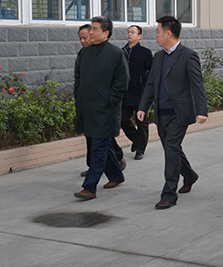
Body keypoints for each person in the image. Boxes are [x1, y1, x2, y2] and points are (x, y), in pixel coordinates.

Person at [137, 16, 208, 210]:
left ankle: (169, 194)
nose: (156, 36)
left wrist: (201, 110)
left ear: (168, 33)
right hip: (162, 114)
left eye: (158, 32)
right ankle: (190, 175)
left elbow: (197, 85)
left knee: (171, 149)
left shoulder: (188, 55)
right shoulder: (158, 56)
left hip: (179, 114)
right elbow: (151, 84)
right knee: (173, 149)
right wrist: (143, 107)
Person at [73, 16, 129, 200]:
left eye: (95, 29)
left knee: (98, 149)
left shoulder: (116, 54)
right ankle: (116, 175)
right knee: (103, 145)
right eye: (91, 28)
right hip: (87, 108)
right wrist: (79, 96)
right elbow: (79, 78)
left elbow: (123, 81)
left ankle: (89, 187)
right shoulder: (85, 53)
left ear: (106, 33)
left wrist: (109, 99)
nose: (91, 32)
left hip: (106, 111)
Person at [121, 25, 153, 160]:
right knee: (122, 120)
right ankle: (136, 140)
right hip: (125, 94)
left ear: (139, 36)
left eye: (133, 32)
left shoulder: (145, 52)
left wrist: (145, 85)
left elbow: (152, 72)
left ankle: (140, 149)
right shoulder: (121, 52)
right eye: (128, 32)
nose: (129, 34)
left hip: (140, 93)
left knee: (142, 122)